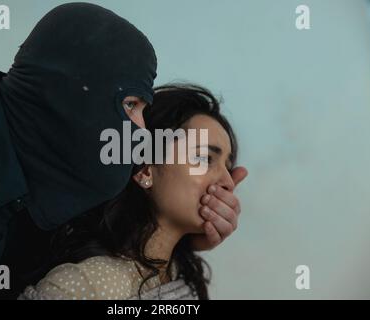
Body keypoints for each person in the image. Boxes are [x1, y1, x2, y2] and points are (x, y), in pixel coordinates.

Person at [0, 3, 247, 299]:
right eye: (130, 105)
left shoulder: (56, 189)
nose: (140, 131)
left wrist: (184, 244)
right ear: (146, 170)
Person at [19, 84, 247, 300]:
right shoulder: (88, 285)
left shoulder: (180, 275)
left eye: (227, 167)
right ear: (145, 170)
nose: (227, 181)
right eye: (204, 158)